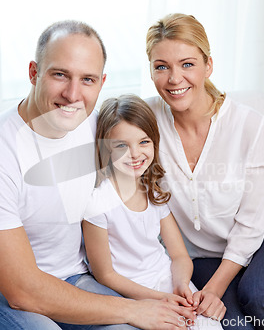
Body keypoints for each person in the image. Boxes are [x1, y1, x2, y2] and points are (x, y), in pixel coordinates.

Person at [0, 20, 195, 330]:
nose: (72, 94)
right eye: (60, 74)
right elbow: (22, 290)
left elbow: (147, 154)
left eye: (88, 79)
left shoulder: (97, 129)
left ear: (102, 82)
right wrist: (134, 310)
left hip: (76, 278)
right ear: (33, 72)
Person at [144, 13, 264, 330]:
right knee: (231, 322)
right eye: (161, 66)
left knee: (257, 294)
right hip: (202, 253)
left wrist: (216, 286)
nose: (174, 78)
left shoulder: (246, 124)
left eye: (187, 64)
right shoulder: (146, 120)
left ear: (209, 65)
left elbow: (252, 220)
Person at [82, 94, 225, 330]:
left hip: (168, 281)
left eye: (144, 142)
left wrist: (182, 285)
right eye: (121, 146)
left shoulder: (153, 191)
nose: (135, 154)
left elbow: (179, 255)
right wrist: (161, 299)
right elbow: (105, 275)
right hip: (133, 295)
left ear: (154, 142)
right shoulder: (98, 203)